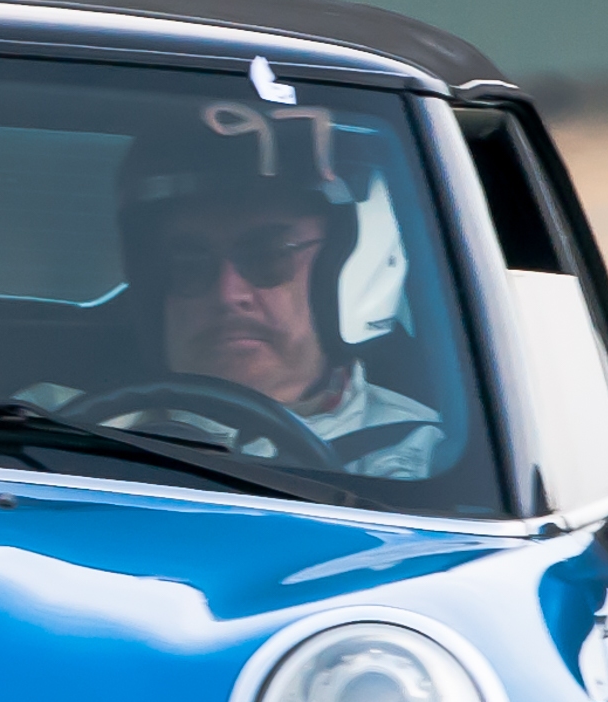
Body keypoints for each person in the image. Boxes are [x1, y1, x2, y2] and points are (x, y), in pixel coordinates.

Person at [96, 119, 444, 479]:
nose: (229, 294)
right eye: (189, 264)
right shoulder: (71, 443)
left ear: (346, 270)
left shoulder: (427, 463)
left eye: (269, 255)